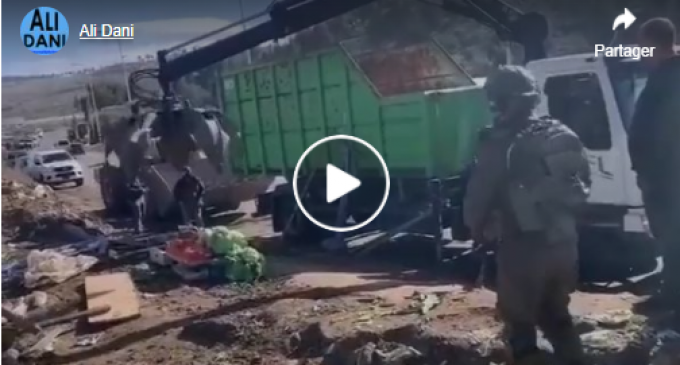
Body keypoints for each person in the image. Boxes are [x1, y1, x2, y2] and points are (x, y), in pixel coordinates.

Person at [464, 65, 591, 365]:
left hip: (523, 248)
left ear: (501, 100)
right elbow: (582, 187)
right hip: (564, 246)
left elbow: (479, 197)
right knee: (558, 317)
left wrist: (476, 229)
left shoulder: (499, 142)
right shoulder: (561, 131)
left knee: (520, 327)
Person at [628, 18, 680, 311]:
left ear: (652, 46)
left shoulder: (671, 79)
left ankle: (673, 302)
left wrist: (655, 174)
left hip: (668, 179)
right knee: (669, 239)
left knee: (674, 238)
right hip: (662, 176)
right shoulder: (665, 75)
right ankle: (671, 294)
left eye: (641, 47)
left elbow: (667, 132)